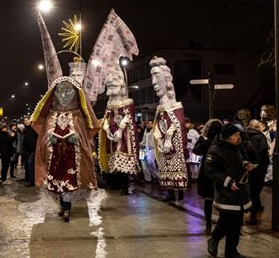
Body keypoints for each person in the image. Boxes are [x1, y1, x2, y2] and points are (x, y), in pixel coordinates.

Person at [31, 63, 101, 222]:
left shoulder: (77, 116)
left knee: (69, 181)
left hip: (71, 156)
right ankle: (63, 205)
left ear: (76, 94)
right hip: (55, 156)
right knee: (57, 181)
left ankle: (67, 208)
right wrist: (50, 139)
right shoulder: (51, 115)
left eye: (68, 91)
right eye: (59, 91)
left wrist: (75, 139)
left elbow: (83, 138)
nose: (63, 95)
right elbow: (44, 135)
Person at [206, 123, 254, 258]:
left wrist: (246, 164)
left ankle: (231, 250)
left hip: (240, 190)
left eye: (238, 135)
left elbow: (243, 157)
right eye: (235, 135)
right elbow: (210, 171)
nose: (238, 138)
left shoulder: (238, 146)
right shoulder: (215, 150)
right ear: (227, 137)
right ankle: (214, 239)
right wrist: (228, 182)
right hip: (226, 192)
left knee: (237, 222)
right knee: (227, 221)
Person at [149, 57, 189, 201]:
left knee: (176, 168)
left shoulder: (175, 105)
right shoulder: (160, 107)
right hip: (164, 147)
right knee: (165, 169)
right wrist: (158, 138)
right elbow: (158, 124)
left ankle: (180, 194)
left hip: (173, 146)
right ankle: (170, 193)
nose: (153, 82)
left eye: (157, 76)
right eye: (152, 77)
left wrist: (168, 138)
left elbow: (177, 124)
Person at [99, 61, 140, 196]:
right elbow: (106, 117)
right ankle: (115, 185)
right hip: (112, 135)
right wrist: (106, 128)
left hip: (123, 137)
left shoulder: (126, 102)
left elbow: (128, 117)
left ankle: (125, 187)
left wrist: (120, 129)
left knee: (123, 164)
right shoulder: (110, 103)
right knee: (114, 162)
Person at [194, 119, 222, 235]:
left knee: (208, 201)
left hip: (207, 172)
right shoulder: (222, 141)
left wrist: (201, 137)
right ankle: (222, 224)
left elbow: (196, 150)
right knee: (222, 200)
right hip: (220, 172)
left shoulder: (206, 142)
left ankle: (208, 225)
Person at [22, 116, 37, 186]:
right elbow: (25, 140)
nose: (26, 121)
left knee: (30, 164)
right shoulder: (25, 130)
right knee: (28, 165)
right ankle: (29, 179)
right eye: (25, 121)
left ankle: (32, 182)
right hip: (27, 151)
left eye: (27, 120)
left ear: (30, 120)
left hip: (33, 150)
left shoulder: (34, 128)